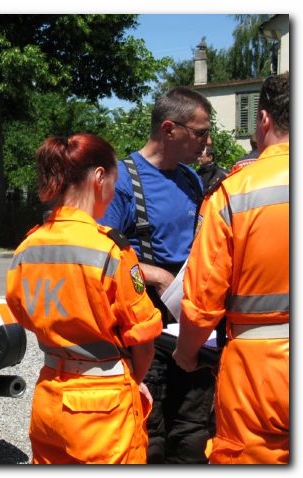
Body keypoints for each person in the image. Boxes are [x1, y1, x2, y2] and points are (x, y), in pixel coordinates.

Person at [6, 134, 162, 464]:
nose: (112, 193)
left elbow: (22, 311)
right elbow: (144, 342)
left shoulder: (28, 246)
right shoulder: (110, 249)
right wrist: (130, 384)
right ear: (99, 177)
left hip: (49, 396)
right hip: (102, 407)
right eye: (114, 182)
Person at [174, 72, 289, 464]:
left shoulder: (234, 193)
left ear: (264, 120)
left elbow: (203, 298)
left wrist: (186, 354)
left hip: (259, 369)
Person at [99, 86, 214, 464]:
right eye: (200, 132)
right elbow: (104, 253)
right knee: (152, 433)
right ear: (169, 129)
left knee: (194, 430)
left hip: (192, 325)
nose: (206, 141)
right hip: (147, 330)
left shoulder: (191, 180)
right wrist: (156, 276)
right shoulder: (122, 182)